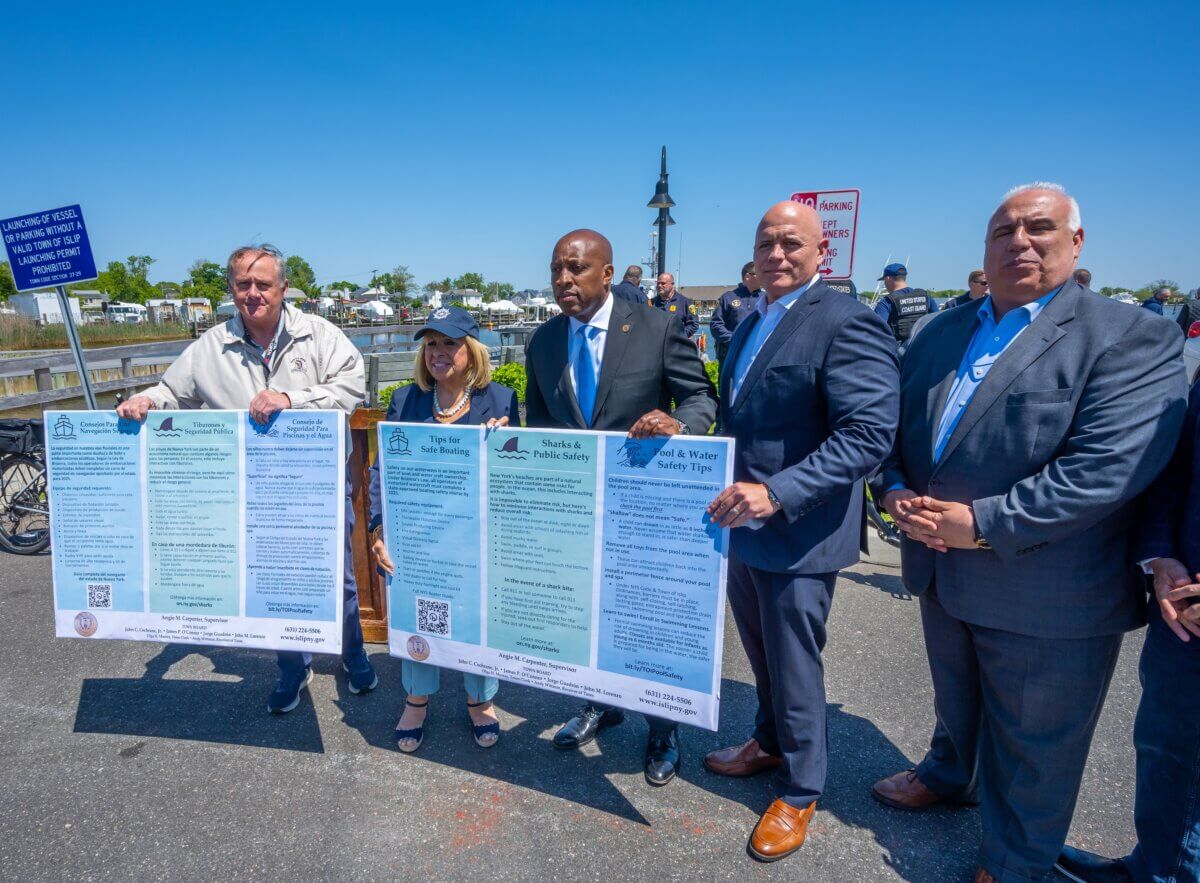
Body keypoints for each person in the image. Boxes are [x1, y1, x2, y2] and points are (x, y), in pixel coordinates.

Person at [872, 183, 1186, 883]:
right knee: (957, 701)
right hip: (939, 569)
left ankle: (1014, 863)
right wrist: (891, 487)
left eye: (1039, 227)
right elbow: (895, 430)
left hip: (1049, 587)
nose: (1019, 240)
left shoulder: (1130, 334)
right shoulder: (940, 332)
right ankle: (952, 774)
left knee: (1036, 748)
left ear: (1076, 243)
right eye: (1003, 229)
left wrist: (980, 524)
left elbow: (1108, 468)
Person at [703, 201, 899, 863]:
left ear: (823, 253)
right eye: (766, 242)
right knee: (762, 656)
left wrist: (776, 493)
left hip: (799, 530)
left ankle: (801, 785)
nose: (777, 254)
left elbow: (868, 435)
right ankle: (768, 740)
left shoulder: (847, 322)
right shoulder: (753, 317)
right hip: (742, 527)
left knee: (794, 664)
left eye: (792, 243)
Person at [115, 244, 379, 713]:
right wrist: (147, 402)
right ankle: (292, 666)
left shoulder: (321, 335)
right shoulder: (210, 346)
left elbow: (351, 389)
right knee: (271, 582)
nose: (252, 293)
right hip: (251, 493)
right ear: (231, 289)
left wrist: (290, 399)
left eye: (263, 284)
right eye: (243, 284)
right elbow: (173, 390)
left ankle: (352, 652)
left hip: (315, 489)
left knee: (337, 580)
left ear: (282, 289)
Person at [525, 229, 717, 786]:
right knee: (585, 614)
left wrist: (678, 425)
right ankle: (598, 703)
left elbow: (702, 397)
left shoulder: (657, 328)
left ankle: (662, 729)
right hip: (575, 512)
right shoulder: (542, 342)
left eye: (576, 269)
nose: (564, 279)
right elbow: (540, 429)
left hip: (644, 509)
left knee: (646, 619)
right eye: (557, 269)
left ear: (607, 274)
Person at [1054, 378, 1200, 883]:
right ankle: (1157, 867)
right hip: (1182, 606)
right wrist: (1160, 555)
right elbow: (1178, 464)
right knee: (1170, 749)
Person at [366, 306, 517, 753]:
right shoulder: (404, 401)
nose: (438, 352)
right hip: (421, 537)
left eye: (449, 343)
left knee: (478, 615)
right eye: (431, 343)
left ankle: (479, 699)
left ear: (471, 349)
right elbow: (381, 474)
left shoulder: (502, 400)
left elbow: (518, 476)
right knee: (419, 611)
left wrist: (507, 446)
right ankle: (416, 699)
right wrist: (377, 529)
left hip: (477, 539)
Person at [709, 261, 762, 366]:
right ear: (748, 276)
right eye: (760, 273)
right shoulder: (728, 297)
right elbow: (716, 325)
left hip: (756, 355)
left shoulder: (767, 298)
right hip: (729, 354)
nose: (765, 276)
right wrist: (735, 339)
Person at [873, 263, 936, 347]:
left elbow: (876, 331)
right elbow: (939, 321)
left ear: (887, 278)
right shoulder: (926, 297)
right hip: (926, 347)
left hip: (900, 353)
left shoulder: (886, 302)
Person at [651, 272, 699, 338]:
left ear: (672, 284)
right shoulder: (651, 303)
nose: (659, 285)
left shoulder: (685, 303)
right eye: (658, 283)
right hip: (656, 344)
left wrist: (680, 337)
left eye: (663, 283)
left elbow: (693, 324)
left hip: (676, 345)